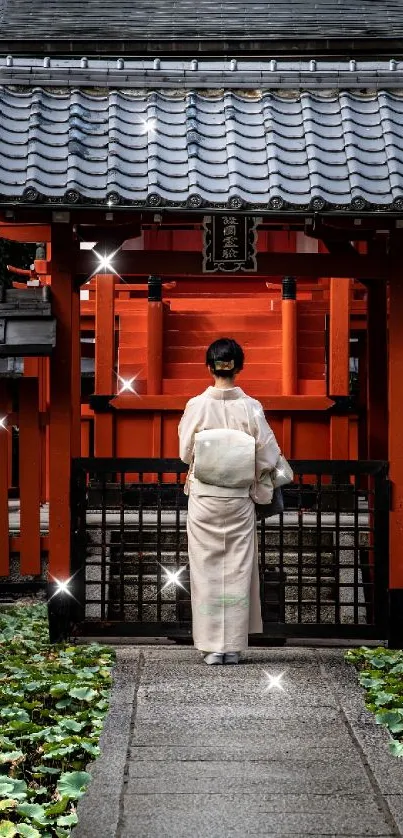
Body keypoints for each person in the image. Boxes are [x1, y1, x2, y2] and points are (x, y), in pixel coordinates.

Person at [178, 337, 281, 665]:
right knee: (237, 568)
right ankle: (232, 647)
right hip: (237, 498)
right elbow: (268, 455)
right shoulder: (251, 407)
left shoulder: (197, 404)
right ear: (239, 367)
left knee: (206, 568)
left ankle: (211, 647)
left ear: (210, 367)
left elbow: (184, 453)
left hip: (205, 497)